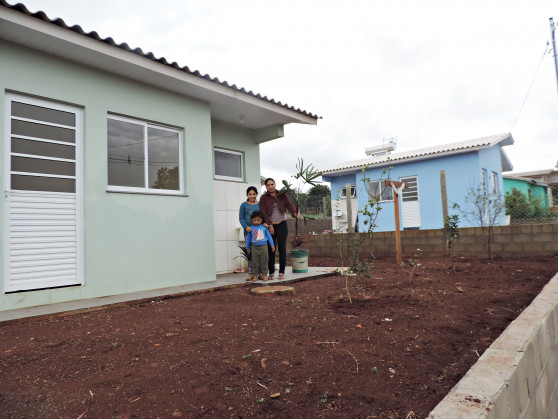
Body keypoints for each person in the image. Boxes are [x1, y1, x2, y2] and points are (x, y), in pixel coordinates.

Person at [259, 178, 299, 280]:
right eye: (268, 185)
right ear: (266, 187)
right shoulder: (264, 197)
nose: (270, 186)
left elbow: (289, 205)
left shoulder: (282, 195)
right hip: (270, 226)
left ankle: (281, 272)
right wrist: (270, 225)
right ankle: (271, 272)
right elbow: (263, 212)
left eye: (272, 184)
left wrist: (294, 213)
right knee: (271, 249)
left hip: (282, 225)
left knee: (282, 249)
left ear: (275, 185)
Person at [245, 211, 275, 281]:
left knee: (264, 261)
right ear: (252, 220)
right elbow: (248, 239)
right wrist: (247, 247)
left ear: (261, 220)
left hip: (264, 247)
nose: (256, 222)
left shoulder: (264, 228)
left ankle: (264, 275)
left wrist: (272, 245)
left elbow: (269, 237)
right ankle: (255, 275)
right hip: (254, 248)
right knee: (255, 262)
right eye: (254, 220)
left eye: (258, 220)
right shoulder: (251, 229)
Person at [239, 186, 260, 279]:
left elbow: (263, 217)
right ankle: (251, 273)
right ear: (247, 195)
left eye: (254, 194)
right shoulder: (244, 205)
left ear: (257, 194)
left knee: (258, 252)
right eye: (250, 194)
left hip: (259, 233)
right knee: (250, 252)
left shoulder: (260, 205)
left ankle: (259, 273)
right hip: (248, 232)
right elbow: (241, 218)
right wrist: (246, 227)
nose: (252, 196)